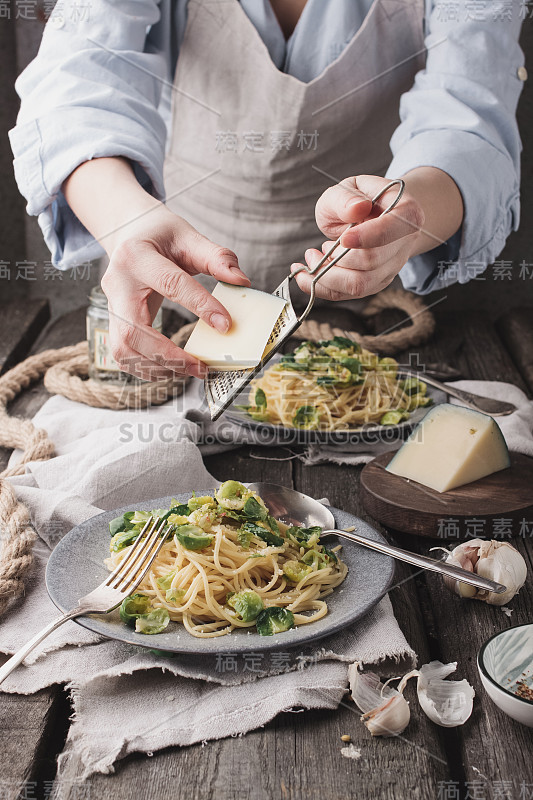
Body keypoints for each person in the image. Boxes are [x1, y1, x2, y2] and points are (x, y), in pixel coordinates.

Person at [10, 0, 526, 381]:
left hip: (380, 315)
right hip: (172, 306)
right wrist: (128, 224)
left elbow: (470, 116)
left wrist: (409, 216)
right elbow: (75, 86)